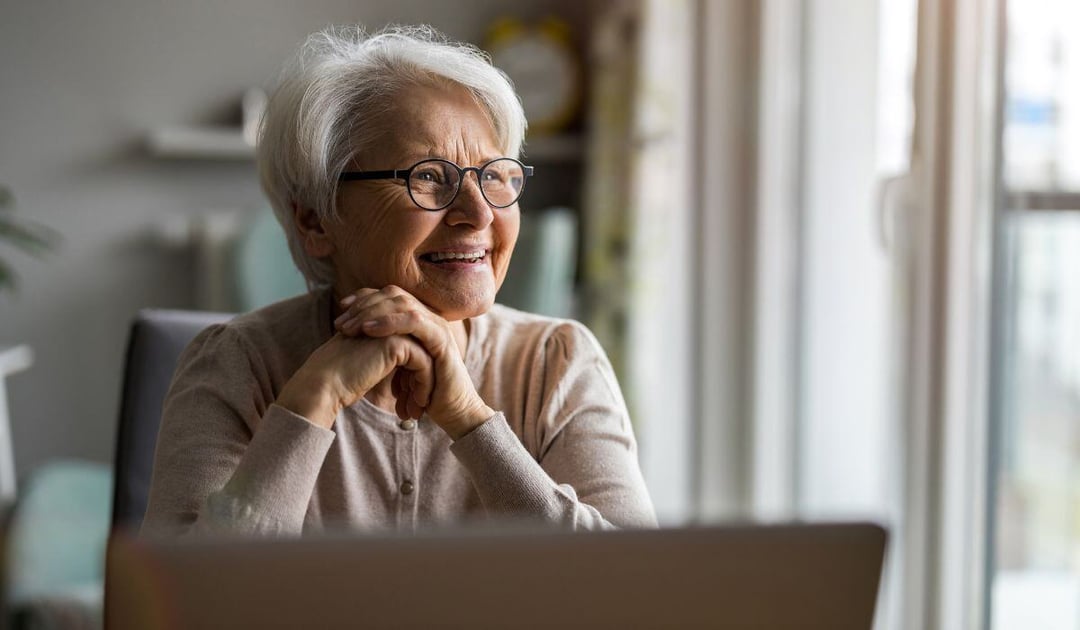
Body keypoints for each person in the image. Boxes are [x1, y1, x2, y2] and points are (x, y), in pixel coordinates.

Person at [141, 25, 656, 537]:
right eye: (428, 176)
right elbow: (187, 603)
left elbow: (635, 592)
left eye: (495, 174)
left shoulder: (557, 362)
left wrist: (469, 420)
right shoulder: (237, 365)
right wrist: (314, 399)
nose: (478, 214)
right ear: (315, 221)